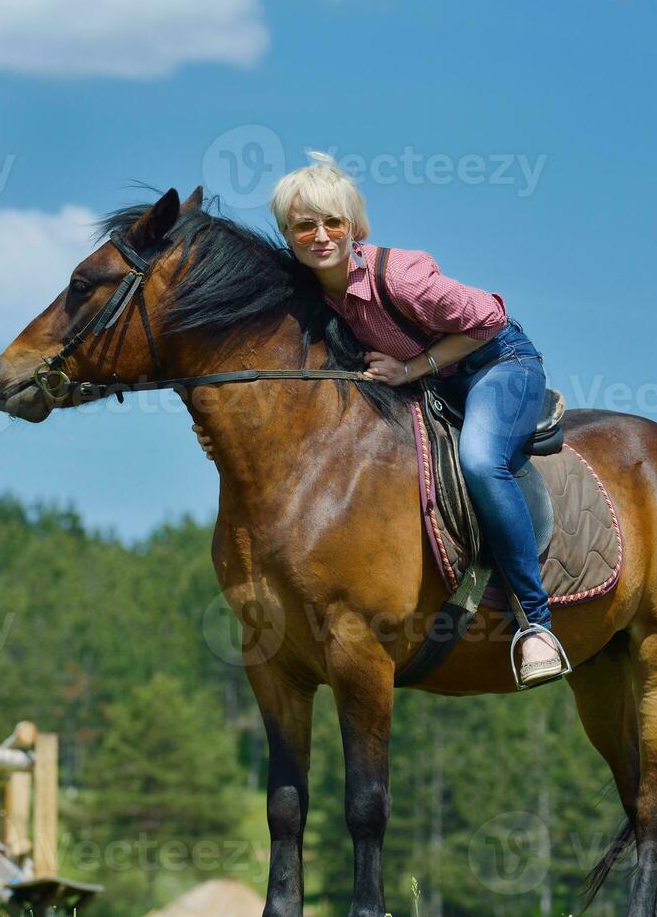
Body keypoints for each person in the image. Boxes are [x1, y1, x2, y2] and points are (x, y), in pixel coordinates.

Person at [194, 152, 566, 686]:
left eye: (333, 223)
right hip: (429, 381)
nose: (320, 236)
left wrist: (415, 366)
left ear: (355, 228)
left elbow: (490, 316)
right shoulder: (309, 291)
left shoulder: (404, 276)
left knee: (481, 462)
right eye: (304, 225)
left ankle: (536, 624)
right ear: (288, 233)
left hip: (498, 363)